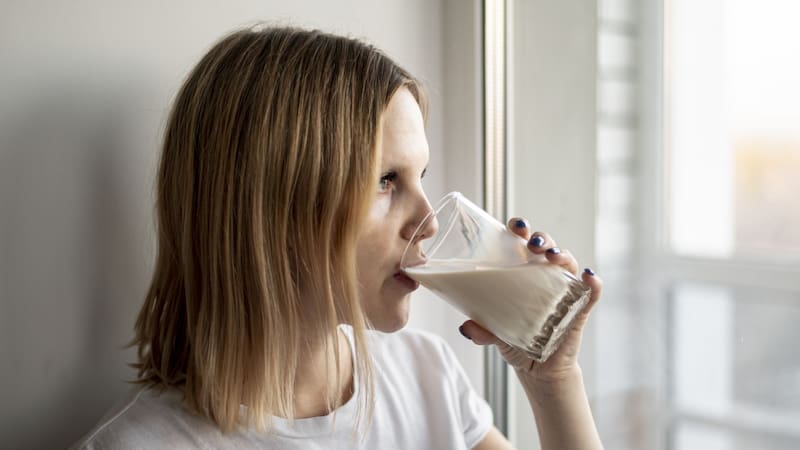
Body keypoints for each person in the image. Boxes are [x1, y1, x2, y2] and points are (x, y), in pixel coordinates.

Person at [71, 25, 604, 450]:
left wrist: (553, 382)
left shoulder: (426, 377)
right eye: (385, 180)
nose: (429, 221)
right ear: (269, 206)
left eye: (421, 177)